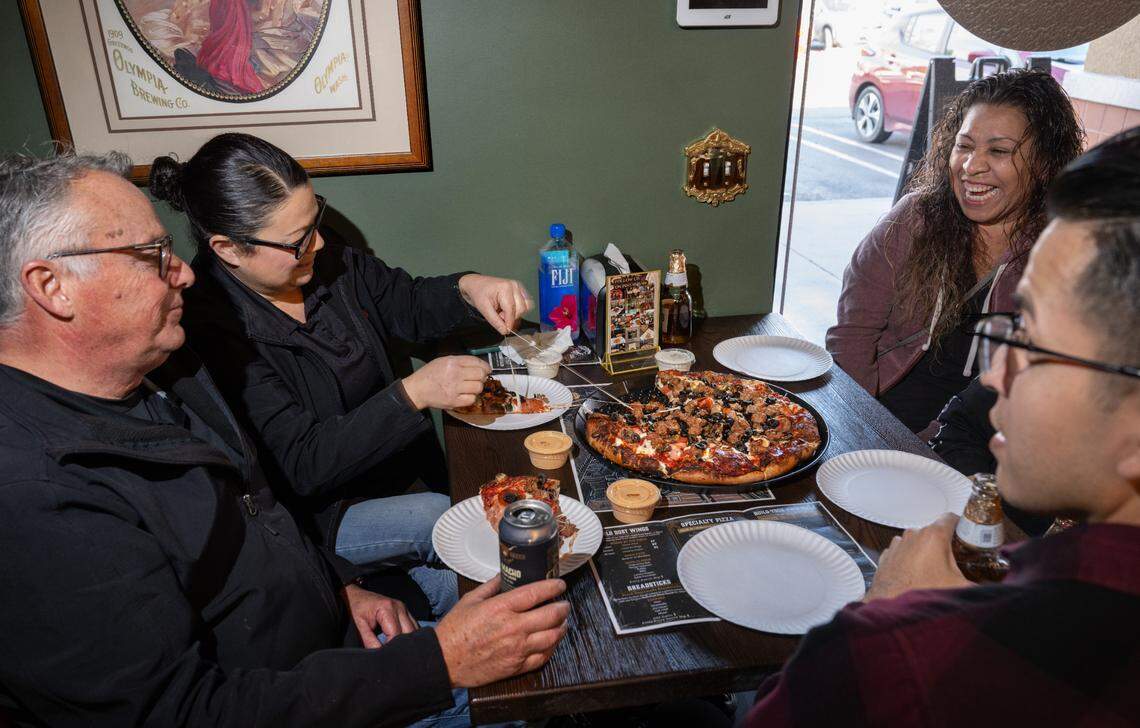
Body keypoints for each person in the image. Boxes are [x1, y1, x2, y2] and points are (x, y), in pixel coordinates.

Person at [0, 151, 569, 726]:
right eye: (152, 255)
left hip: (334, 626)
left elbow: (260, 507)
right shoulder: (36, 495)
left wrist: (341, 584)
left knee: (544, 609)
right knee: (517, 699)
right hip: (302, 691)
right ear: (52, 287)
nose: (183, 272)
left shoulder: (167, 374)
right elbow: (182, 710)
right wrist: (437, 662)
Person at [745, 127, 1140, 725]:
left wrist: (892, 611)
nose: (998, 372)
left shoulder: (909, 655)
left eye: (1033, 340)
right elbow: (853, 331)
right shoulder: (917, 221)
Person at [149, 133, 532, 618]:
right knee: (459, 535)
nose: (320, 243)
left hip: (400, 478)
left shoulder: (322, 257)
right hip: (324, 513)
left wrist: (468, 287)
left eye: (316, 221)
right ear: (228, 249)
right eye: (298, 240)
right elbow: (302, 466)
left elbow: (406, 303)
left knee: (486, 559)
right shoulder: (211, 332)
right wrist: (412, 394)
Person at [827, 70, 1084, 434]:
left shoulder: (1065, 256)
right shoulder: (916, 218)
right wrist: (863, 420)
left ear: (1044, 164)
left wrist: (934, 442)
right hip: (876, 417)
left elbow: (1045, 391)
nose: (971, 166)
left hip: (980, 440)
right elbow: (852, 332)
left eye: (998, 151)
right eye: (964, 146)